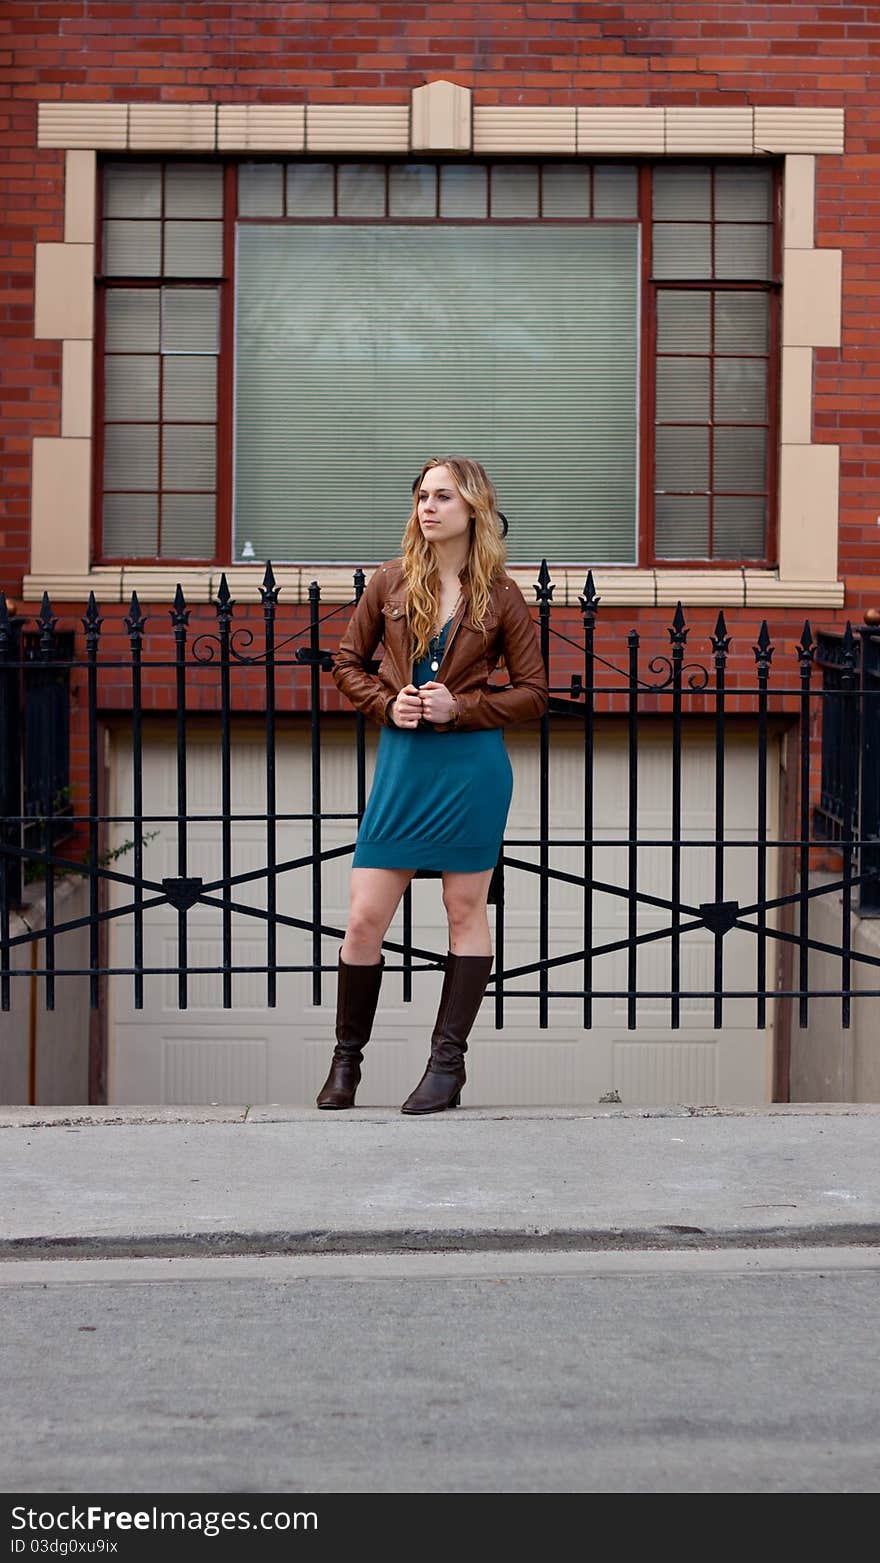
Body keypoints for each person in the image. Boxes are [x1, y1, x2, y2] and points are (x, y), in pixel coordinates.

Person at [318, 455, 548, 1114]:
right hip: (403, 765)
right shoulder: (388, 583)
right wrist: (386, 703)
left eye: (443, 496)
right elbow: (344, 663)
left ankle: (446, 1066)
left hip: (471, 769)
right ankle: (346, 1063)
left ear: (472, 507)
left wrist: (463, 707)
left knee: (462, 912)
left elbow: (534, 693)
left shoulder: (501, 596)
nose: (428, 506)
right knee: (363, 920)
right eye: (422, 495)